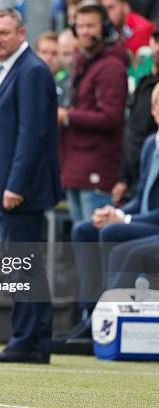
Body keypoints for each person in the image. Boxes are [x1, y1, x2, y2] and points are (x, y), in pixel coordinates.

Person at [0, 8, 61, 364]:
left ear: (21, 32)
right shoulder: (9, 68)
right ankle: (35, 340)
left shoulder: (32, 70)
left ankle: (27, 340)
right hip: (9, 183)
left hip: (21, 189)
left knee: (22, 265)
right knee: (25, 265)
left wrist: (16, 185)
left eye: (3, 33)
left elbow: (33, 135)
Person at [62, 82, 159, 344]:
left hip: (153, 226)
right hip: (145, 222)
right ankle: (87, 311)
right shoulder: (151, 144)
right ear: (152, 110)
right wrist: (114, 211)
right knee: (84, 228)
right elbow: (141, 198)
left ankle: (103, 321)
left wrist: (123, 219)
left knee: (114, 232)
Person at [58, 1, 129, 223]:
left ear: (105, 28)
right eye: (80, 26)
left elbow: (111, 117)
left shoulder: (112, 67)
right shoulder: (83, 62)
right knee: (81, 241)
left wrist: (68, 116)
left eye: (91, 26)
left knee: (93, 246)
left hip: (97, 168)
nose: (85, 32)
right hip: (75, 166)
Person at [113, 29, 159, 204]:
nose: (157, 48)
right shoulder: (144, 82)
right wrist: (124, 178)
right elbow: (132, 132)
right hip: (135, 179)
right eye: (155, 41)